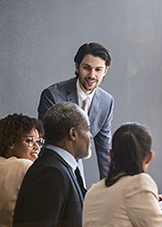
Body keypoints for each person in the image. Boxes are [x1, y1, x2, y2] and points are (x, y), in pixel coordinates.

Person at [13, 102, 92, 227]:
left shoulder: (61, 166)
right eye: (88, 129)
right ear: (73, 133)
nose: (91, 136)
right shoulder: (51, 172)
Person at [38, 42, 113, 180]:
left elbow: (104, 151)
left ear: (105, 71)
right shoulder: (52, 95)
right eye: (87, 68)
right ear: (77, 66)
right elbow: (46, 144)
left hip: (78, 172)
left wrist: (110, 191)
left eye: (98, 70)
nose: (92, 75)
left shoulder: (106, 101)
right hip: (53, 172)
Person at [0, 113, 43, 227]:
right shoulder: (25, 166)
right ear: (11, 142)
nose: (37, 147)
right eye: (30, 141)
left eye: (39, 142)